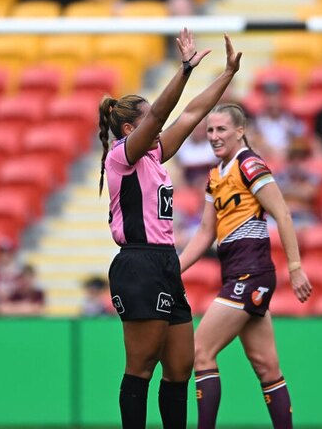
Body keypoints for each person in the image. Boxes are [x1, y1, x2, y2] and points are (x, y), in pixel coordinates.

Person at [98, 29, 241, 429]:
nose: (156, 128)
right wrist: (184, 70)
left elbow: (191, 114)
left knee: (180, 367)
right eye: (146, 123)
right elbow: (162, 114)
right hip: (139, 264)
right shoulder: (122, 157)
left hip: (165, 263)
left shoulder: (154, 154)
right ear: (130, 129)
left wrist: (226, 74)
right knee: (141, 366)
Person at [177, 103, 312, 429]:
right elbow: (205, 233)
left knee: (200, 351)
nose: (214, 136)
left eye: (221, 129)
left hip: (250, 274)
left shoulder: (249, 164)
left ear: (240, 131)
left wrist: (295, 267)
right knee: (267, 366)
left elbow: (282, 213)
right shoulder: (214, 176)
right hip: (238, 273)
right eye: (210, 130)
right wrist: (172, 268)